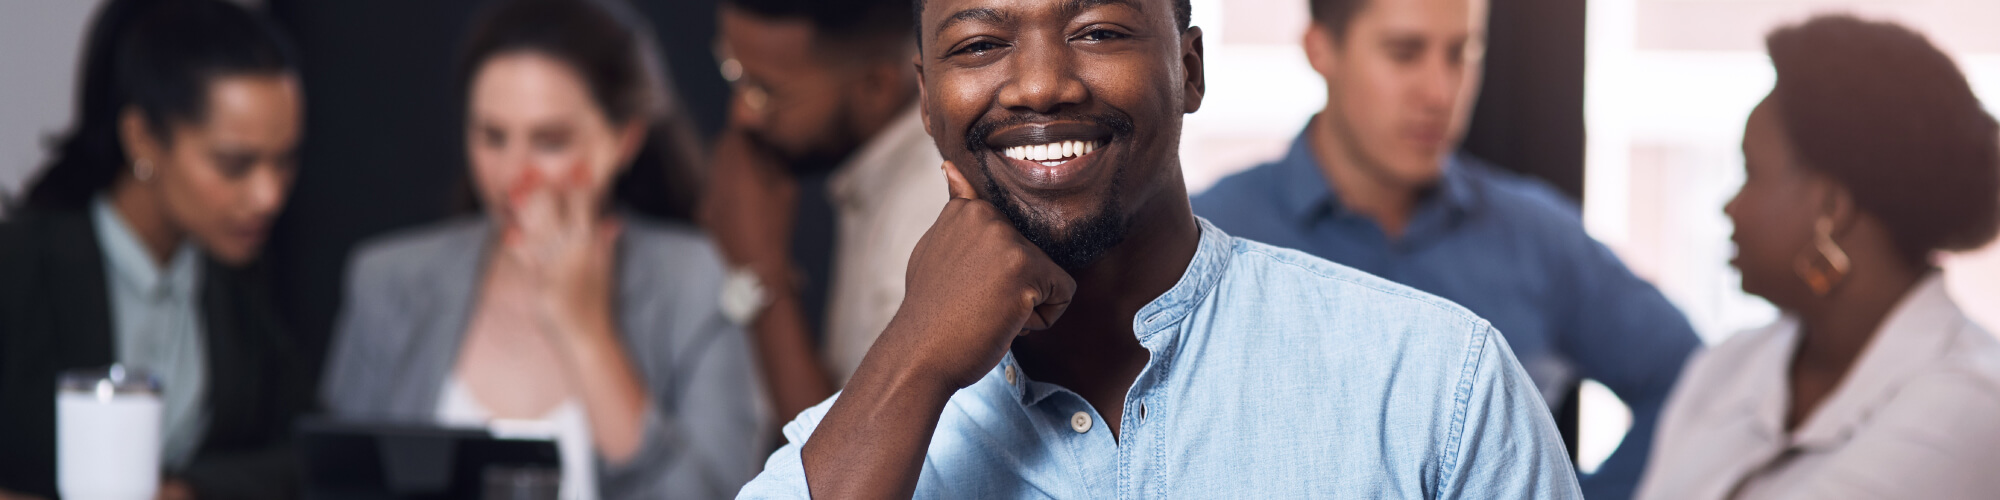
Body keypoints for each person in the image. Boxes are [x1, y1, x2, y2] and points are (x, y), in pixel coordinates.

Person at [737, 0, 1581, 496]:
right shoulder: (868, 433)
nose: (1040, 84)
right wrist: (916, 358)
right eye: (980, 44)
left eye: (1099, 30)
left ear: (1190, 68)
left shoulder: (1436, 383)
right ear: (929, 102)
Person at [1191, 1, 1700, 496]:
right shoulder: (1211, 236)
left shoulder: (1538, 238)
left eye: (1459, 54)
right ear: (1321, 50)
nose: (1440, 92)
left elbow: (1698, 385)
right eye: (1404, 52)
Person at [318, 0, 763, 498]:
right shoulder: (388, 281)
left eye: (550, 141)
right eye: (492, 136)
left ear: (623, 139)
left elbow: (724, 493)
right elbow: (341, 482)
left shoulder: (692, 279)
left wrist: (586, 333)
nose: (514, 176)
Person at [1634, 15, 2000, 500]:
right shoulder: (1727, 366)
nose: (1729, 207)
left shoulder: (1974, 402)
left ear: (1830, 208)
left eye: (1752, 173)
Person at [0, 0, 309, 498]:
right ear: (142, 139)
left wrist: (187, 490)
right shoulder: (21, 268)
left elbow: (304, 451)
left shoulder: (238, 280)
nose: (269, 196)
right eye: (235, 165)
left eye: (285, 162)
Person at [700, 0, 947, 421]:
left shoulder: (927, 222)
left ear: (875, 86)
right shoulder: (874, 181)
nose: (742, 113)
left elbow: (855, 470)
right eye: (732, 70)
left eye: (765, 91)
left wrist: (761, 270)